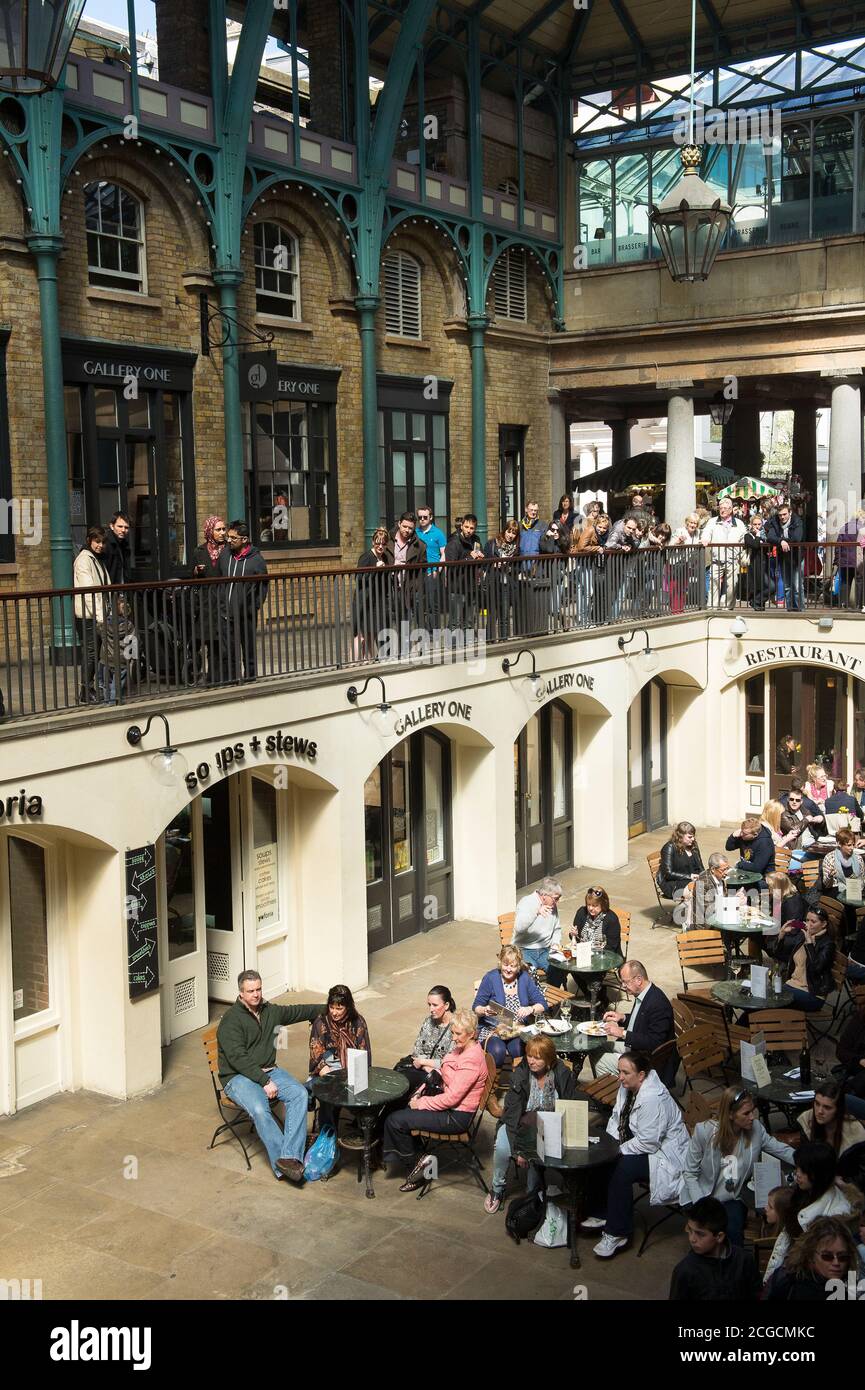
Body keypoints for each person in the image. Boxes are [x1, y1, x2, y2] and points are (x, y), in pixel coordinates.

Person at [216, 969, 321, 1183]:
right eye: (250, 991)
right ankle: (283, 1167)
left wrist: (330, 1009)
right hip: (238, 1077)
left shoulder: (269, 1011)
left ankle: (289, 1158)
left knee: (299, 1094)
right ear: (241, 993)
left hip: (268, 1069)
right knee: (258, 1108)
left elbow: (297, 1011)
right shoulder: (231, 1021)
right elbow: (238, 1059)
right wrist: (265, 1082)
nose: (256, 994)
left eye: (258, 989)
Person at [581, 1050, 689, 1258]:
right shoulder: (628, 1087)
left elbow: (649, 1143)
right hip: (636, 1143)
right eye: (619, 1071)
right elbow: (616, 1118)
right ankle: (603, 1213)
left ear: (641, 1075)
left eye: (625, 1072)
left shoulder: (652, 1099)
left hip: (663, 1155)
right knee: (598, 1157)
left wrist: (616, 1151)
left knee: (622, 1169)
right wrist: (609, 1145)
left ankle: (618, 1232)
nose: (620, 1077)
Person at [382, 1009, 489, 1192]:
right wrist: (420, 1092)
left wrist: (421, 1103)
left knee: (396, 1121)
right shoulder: (462, 1049)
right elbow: (443, 1070)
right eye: (452, 1032)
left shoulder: (471, 1061)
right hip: (449, 1104)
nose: (453, 1038)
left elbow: (451, 1099)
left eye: (458, 1034)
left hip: (455, 1116)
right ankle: (421, 1160)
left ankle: (418, 1168)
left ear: (472, 1034)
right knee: (401, 1104)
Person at [679, 1087, 795, 1246]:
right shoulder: (704, 1132)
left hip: (732, 1198)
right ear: (731, 1114)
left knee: (733, 1235)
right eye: (746, 1113)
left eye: (752, 1111)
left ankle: (733, 1268)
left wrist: (808, 1161)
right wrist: (702, 1206)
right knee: (705, 1236)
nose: (752, 1117)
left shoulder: (756, 1130)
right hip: (702, 1196)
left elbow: (780, 1149)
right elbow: (690, 1173)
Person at [483, 1033, 580, 1213]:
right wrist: (520, 1149)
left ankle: (531, 1196)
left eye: (537, 1058)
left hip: (550, 1125)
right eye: (529, 1056)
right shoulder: (520, 1076)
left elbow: (570, 1104)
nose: (532, 1061)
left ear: (549, 1059)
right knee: (503, 1148)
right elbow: (512, 1116)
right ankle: (497, 1188)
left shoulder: (562, 1074)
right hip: (520, 1123)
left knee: (536, 1155)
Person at [763, 1143, 861, 1283]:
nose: (797, 1173)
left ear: (818, 1173)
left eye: (803, 1170)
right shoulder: (802, 1195)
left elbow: (843, 1265)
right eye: (797, 1167)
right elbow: (784, 1244)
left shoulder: (838, 1213)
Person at [668, 1197, 761, 1301]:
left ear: (719, 1237)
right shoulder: (684, 1271)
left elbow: (756, 1293)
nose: (692, 1239)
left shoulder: (744, 1260)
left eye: (700, 1234)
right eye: (689, 1230)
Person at [594, 960, 675, 1077]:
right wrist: (622, 1018)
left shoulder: (657, 1004)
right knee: (597, 1047)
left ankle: (617, 1093)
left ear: (639, 980)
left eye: (625, 982)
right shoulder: (644, 994)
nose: (623, 986)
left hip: (645, 1059)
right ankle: (609, 1083)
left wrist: (622, 1033)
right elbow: (643, 1020)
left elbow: (654, 1042)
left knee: (602, 1061)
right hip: (636, 1048)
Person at [308, 984, 371, 1134]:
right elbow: (316, 1055)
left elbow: (363, 1052)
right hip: (327, 1071)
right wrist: (334, 1078)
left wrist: (353, 1076)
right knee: (328, 1095)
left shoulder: (358, 1023)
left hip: (351, 1069)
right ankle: (328, 1134)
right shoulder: (321, 1023)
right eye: (332, 1007)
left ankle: (363, 1133)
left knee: (366, 1098)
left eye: (339, 1008)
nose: (334, 1012)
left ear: (348, 1007)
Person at [473, 945, 547, 1067]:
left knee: (518, 1050)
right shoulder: (491, 978)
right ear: (500, 962)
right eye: (505, 964)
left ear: (519, 966)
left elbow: (542, 1004)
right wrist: (484, 1010)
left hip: (517, 1030)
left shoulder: (524, 978)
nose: (508, 969)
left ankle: (518, 1081)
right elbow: (476, 1007)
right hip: (494, 1030)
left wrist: (530, 1008)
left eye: (513, 966)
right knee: (498, 1051)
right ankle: (493, 1081)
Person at [217, 520, 269, 681]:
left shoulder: (256, 560)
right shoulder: (225, 555)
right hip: (226, 612)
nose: (229, 541)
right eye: (228, 537)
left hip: (246, 614)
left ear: (244, 539)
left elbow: (263, 585)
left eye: (234, 538)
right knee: (230, 650)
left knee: (248, 649)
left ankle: (250, 678)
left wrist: (254, 606)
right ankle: (233, 679)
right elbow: (220, 577)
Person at [765, 1216, 860, 1301]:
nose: (836, 1262)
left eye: (843, 1257)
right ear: (810, 1255)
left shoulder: (851, 1285)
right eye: (827, 1256)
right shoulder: (788, 1282)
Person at [768, 905, 836, 1012]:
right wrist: (782, 934)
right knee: (763, 997)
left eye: (813, 922)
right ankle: (742, 1027)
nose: (808, 924)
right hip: (793, 985)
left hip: (812, 994)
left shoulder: (828, 944)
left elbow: (816, 968)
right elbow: (778, 955)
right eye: (807, 920)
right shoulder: (803, 937)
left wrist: (809, 943)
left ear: (823, 924)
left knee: (771, 999)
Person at [73, 525, 111, 704]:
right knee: (90, 653)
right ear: (89, 540)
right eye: (97, 541)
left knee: (95, 653)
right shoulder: (83, 560)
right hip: (88, 616)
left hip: (97, 614)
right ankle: (85, 690)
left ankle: (90, 688)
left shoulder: (96, 559)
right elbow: (89, 593)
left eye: (103, 542)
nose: (100, 545)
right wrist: (100, 617)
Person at [401, 985, 457, 1094]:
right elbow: (417, 1051)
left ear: (446, 1005)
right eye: (429, 1005)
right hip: (423, 1069)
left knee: (405, 1085)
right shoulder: (428, 1021)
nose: (431, 1009)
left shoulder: (456, 1027)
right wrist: (425, 1066)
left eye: (435, 1005)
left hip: (439, 1076)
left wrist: (423, 1062)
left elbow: (447, 1062)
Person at [190, 516, 226, 682]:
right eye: (217, 529)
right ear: (209, 531)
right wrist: (196, 571)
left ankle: (215, 676)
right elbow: (190, 575)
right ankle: (200, 673)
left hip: (221, 601)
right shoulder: (199, 551)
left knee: (218, 643)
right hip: (204, 604)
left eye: (223, 529)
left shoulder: (228, 551)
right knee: (203, 641)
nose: (221, 533)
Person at [352, 526, 393, 659]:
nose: (380, 546)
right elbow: (359, 579)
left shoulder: (385, 558)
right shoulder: (366, 557)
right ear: (372, 542)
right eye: (377, 542)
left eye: (383, 543)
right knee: (361, 635)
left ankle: (368, 661)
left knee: (370, 634)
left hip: (376, 602)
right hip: (364, 601)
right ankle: (353, 663)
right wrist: (374, 569)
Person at [512, 877, 565, 978]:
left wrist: (555, 944)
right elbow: (519, 927)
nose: (557, 902)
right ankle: (535, 993)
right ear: (544, 895)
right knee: (528, 973)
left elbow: (556, 929)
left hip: (545, 949)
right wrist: (536, 912)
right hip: (524, 949)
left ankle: (551, 993)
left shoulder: (552, 905)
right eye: (555, 898)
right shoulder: (526, 902)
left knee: (559, 970)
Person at [798, 1080, 865, 1157]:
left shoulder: (855, 1135)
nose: (819, 1111)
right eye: (817, 1103)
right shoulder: (806, 1119)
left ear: (839, 1110)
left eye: (827, 1107)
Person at [702, 498, 746, 608]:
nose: (722, 510)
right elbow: (706, 532)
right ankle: (712, 608)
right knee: (713, 585)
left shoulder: (739, 523)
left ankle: (727, 607)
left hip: (733, 559)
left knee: (732, 586)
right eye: (721, 508)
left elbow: (744, 538)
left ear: (731, 510)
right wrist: (705, 539)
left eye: (725, 508)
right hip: (717, 559)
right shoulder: (712, 521)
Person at [444, 512, 485, 629]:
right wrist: (469, 557)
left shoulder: (476, 539)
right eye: (466, 527)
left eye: (472, 528)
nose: (469, 530)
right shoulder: (453, 542)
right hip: (457, 587)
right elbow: (451, 565)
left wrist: (481, 557)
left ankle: (469, 642)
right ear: (461, 526)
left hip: (471, 585)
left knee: (469, 620)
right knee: (455, 621)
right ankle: (452, 644)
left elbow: (480, 553)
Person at [683, 853, 743, 928]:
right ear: (713, 869)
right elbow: (710, 910)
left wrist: (735, 898)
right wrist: (733, 903)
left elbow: (722, 900)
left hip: (720, 918)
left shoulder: (720, 877)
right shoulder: (703, 883)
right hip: (706, 926)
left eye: (727, 868)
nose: (726, 872)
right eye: (723, 870)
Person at [391, 512, 428, 629]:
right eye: (404, 526)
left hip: (407, 589)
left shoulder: (420, 546)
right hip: (390, 588)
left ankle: (404, 646)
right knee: (386, 626)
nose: (407, 530)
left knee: (406, 624)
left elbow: (422, 570)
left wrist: (415, 586)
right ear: (399, 524)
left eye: (410, 528)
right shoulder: (388, 541)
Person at [484, 519, 520, 640]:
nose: (510, 535)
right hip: (493, 582)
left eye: (514, 533)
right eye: (509, 531)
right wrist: (494, 564)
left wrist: (510, 568)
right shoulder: (492, 543)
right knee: (492, 615)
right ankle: (489, 640)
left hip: (507, 584)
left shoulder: (516, 548)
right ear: (504, 530)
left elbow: (518, 568)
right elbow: (484, 562)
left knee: (504, 615)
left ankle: (504, 640)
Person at [766, 501, 805, 611]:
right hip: (783, 557)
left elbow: (797, 538)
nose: (782, 517)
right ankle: (790, 609)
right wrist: (781, 541)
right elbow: (770, 536)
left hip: (797, 557)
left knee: (797, 586)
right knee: (787, 586)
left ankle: (800, 610)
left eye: (784, 514)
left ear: (790, 513)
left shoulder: (797, 521)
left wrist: (783, 541)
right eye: (780, 515)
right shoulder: (775, 522)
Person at [415, 505, 447, 631]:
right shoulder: (415, 533)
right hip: (418, 574)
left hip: (432, 573)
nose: (422, 519)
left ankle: (435, 631)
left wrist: (437, 570)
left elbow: (444, 553)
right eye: (420, 517)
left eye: (425, 517)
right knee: (418, 603)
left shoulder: (438, 533)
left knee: (432, 604)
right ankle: (423, 629)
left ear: (431, 517)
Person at [657, 822, 705, 901]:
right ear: (680, 836)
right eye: (690, 837)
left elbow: (700, 866)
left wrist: (704, 876)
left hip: (692, 880)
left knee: (712, 885)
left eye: (693, 836)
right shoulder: (669, 847)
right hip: (673, 883)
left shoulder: (693, 846)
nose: (693, 839)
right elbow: (668, 874)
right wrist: (689, 876)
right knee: (698, 892)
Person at [570, 885, 622, 957]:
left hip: (605, 956)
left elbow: (611, 947)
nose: (591, 908)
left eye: (595, 905)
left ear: (603, 904)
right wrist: (574, 935)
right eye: (589, 904)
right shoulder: (582, 912)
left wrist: (590, 950)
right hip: (583, 955)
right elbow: (575, 938)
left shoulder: (611, 919)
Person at [724, 814, 775, 884]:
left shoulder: (765, 843)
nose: (741, 834)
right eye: (741, 831)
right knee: (730, 883)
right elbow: (729, 847)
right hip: (747, 873)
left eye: (744, 833)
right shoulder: (744, 836)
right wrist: (733, 836)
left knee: (737, 886)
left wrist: (739, 864)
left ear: (755, 835)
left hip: (763, 878)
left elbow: (757, 868)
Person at [837, 996, 865, 1122]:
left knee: (836, 1100)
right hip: (856, 1068)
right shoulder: (860, 1019)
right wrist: (860, 1060)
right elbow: (841, 1051)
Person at [822, 827, 865, 893]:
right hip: (837, 892)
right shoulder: (830, 858)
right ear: (839, 844)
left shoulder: (858, 858)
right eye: (849, 845)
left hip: (855, 891)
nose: (852, 848)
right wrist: (830, 876)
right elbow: (827, 885)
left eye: (853, 845)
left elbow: (863, 879)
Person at [102, 511, 131, 585]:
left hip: (121, 589)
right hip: (110, 589)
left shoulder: (124, 544)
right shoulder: (105, 544)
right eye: (120, 526)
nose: (123, 530)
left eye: (126, 527)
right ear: (112, 526)